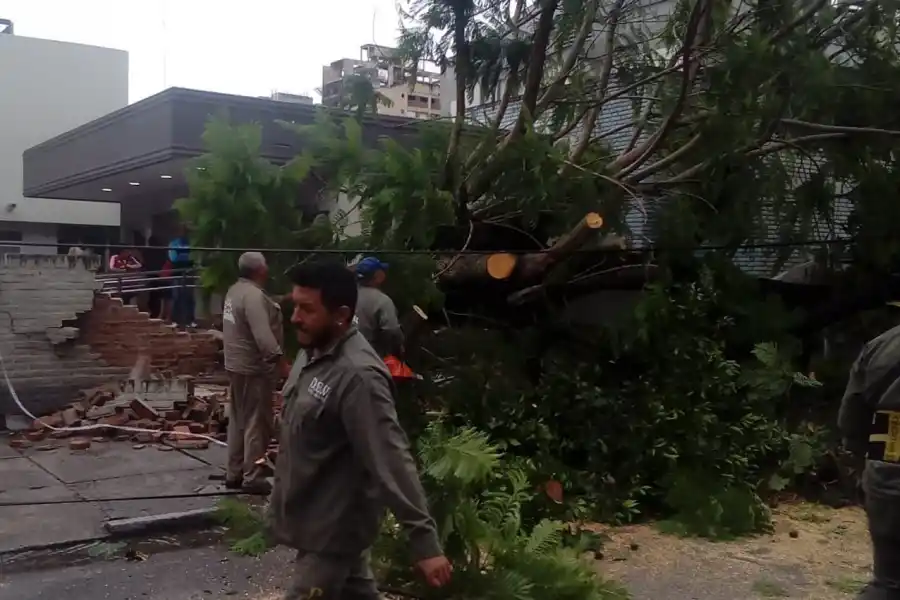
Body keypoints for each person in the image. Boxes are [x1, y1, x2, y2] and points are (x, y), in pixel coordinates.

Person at [268, 259, 451, 598]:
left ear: (340, 315)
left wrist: (425, 542)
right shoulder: (312, 352)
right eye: (295, 306)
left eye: (307, 309)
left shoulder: (359, 377)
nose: (295, 318)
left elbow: (390, 457)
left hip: (333, 531)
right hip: (313, 519)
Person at [839, 323, 900, 599]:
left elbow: (851, 418)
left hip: (887, 467)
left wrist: (862, 464)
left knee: (889, 583)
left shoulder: (882, 345)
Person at [222, 252, 286, 494]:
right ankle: (253, 476)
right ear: (260, 270)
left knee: (238, 420)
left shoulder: (235, 291)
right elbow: (263, 336)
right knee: (256, 424)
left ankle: (234, 472)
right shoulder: (253, 296)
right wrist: (280, 362)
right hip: (254, 368)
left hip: (235, 365)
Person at [353, 256, 404, 358]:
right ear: (378, 276)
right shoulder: (382, 301)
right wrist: (398, 348)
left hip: (344, 356)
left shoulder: (347, 295)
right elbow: (392, 331)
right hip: (370, 358)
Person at [168, 226, 196, 328]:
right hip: (177, 273)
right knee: (177, 297)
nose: (185, 233)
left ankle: (190, 320)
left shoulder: (192, 243)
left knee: (189, 297)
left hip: (189, 273)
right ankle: (175, 320)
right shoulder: (174, 243)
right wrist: (188, 257)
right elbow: (173, 258)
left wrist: (185, 257)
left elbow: (195, 256)